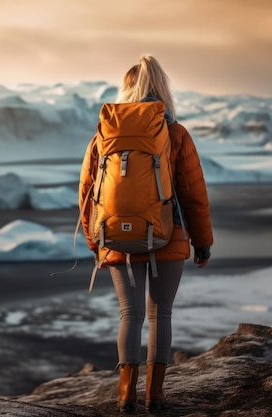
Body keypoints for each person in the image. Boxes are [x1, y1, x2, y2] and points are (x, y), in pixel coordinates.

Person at [78, 55, 213, 413]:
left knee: (129, 316)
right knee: (160, 316)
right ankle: (154, 396)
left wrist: (97, 245)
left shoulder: (103, 136)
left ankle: (126, 397)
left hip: (116, 239)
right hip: (168, 234)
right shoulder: (175, 134)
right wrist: (202, 242)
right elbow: (193, 193)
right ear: (164, 91)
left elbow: (88, 193)